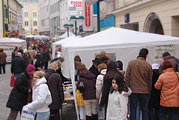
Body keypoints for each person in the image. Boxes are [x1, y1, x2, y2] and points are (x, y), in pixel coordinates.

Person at [125, 48, 153, 120]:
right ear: (146, 56)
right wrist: (149, 92)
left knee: (133, 109)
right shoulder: (148, 66)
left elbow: (127, 77)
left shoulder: (131, 63)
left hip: (133, 90)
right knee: (144, 109)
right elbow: (150, 81)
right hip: (144, 90)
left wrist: (127, 88)